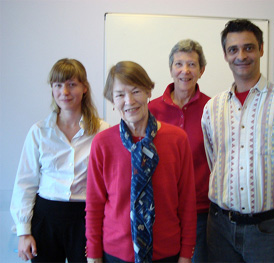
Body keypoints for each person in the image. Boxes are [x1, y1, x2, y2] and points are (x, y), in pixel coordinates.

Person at [201, 19, 274, 262]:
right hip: (220, 228)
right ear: (225, 55)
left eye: (249, 47)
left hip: (269, 231)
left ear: (261, 49)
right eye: (233, 49)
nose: (241, 55)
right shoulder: (213, 108)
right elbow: (215, 162)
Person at [85, 61, 197, 263]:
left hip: (166, 254)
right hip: (116, 254)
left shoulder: (177, 139)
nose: (129, 101)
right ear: (112, 100)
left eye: (136, 91)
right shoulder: (102, 143)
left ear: (148, 92)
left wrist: (186, 253)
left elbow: (187, 202)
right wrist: (93, 255)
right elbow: (94, 205)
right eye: (120, 94)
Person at [10, 58, 109, 262]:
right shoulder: (39, 132)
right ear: (52, 89)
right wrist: (23, 232)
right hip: (46, 217)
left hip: (85, 218)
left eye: (72, 85)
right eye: (58, 85)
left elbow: (109, 183)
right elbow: (25, 183)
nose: (64, 92)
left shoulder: (101, 131)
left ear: (84, 88)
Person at [148, 39, 210, 263]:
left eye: (192, 65)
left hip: (201, 212)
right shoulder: (150, 110)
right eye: (179, 64)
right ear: (171, 69)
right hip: (161, 211)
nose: (185, 71)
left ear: (201, 70)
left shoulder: (213, 109)